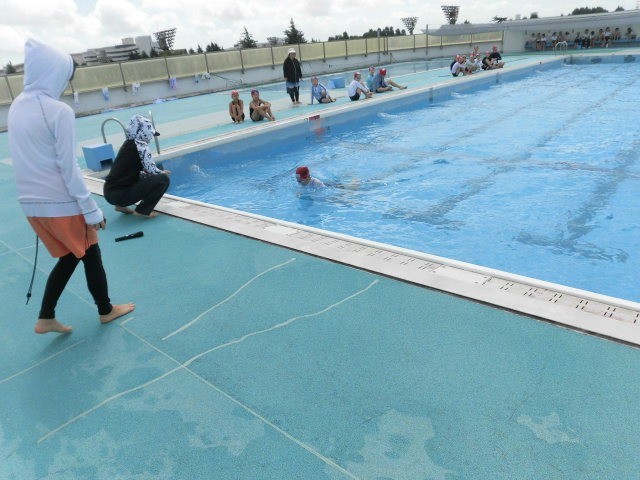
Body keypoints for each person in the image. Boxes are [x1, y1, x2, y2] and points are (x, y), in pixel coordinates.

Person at [7, 39, 134, 334]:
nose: (65, 84)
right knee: (90, 253)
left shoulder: (16, 107)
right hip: (61, 203)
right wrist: (91, 210)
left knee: (70, 256)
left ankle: (46, 316)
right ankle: (105, 310)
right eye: (65, 77)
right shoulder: (58, 111)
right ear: (53, 73)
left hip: (32, 206)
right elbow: (67, 166)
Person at [103, 114, 171, 219]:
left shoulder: (128, 144)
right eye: (150, 134)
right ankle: (142, 211)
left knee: (141, 177)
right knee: (163, 179)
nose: (150, 138)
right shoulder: (141, 147)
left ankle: (119, 206)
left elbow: (131, 172)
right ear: (144, 132)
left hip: (108, 192)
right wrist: (162, 173)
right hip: (120, 195)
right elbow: (152, 170)